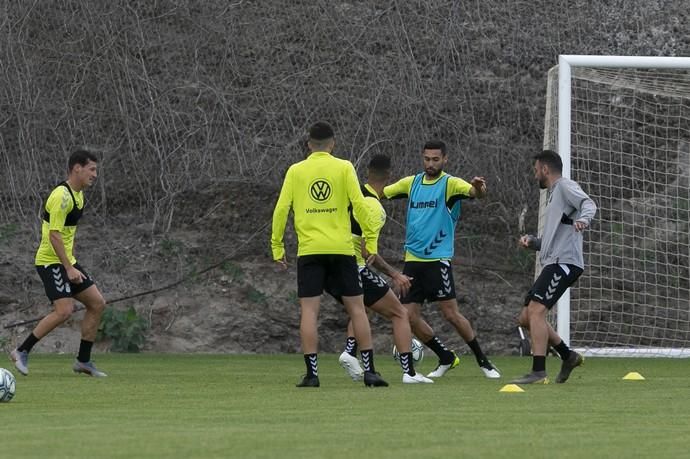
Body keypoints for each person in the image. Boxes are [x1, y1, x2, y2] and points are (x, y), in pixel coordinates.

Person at [271, 122, 388, 388]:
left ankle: (312, 375)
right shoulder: (344, 167)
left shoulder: (296, 171)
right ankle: (369, 371)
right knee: (357, 309)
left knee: (309, 312)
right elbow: (360, 205)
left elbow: (281, 209)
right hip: (342, 249)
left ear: (309, 144)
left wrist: (277, 248)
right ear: (332, 144)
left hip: (310, 251)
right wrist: (371, 240)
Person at [384, 140, 501, 379]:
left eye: (435, 159)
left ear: (444, 159)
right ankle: (445, 356)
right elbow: (381, 192)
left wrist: (478, 188)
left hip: (438, 261)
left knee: (451, 314)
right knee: (408, 317)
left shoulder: (449, 184)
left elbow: (474, 193)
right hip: (412, 261)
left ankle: (484, 361)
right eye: (427, 159)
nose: (430, 163)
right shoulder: (412, 183)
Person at [332, 154, 433, 384]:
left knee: (363, 307)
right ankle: (409, 373)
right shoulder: (375, 208)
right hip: (353, 267)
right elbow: (369, 253)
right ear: (389, 176)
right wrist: (395, 274)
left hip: (332, 266)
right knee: (399, 313)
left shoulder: (352, 195)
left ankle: (349, 351)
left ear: (366, 172)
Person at [10, 149, 107, 377]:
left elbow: (65, 233)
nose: (95, 175)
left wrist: (71, 260)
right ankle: (21, 351)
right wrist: (68, 267)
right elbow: (54, 235)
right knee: (64, 310)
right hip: (50, 262)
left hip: (65, 261)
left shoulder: (78, 195)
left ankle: (83, 361)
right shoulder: (61, 196)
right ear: (77, 168)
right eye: (92, 169)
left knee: (97, 303)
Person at [511, 149, 597, 384]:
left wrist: (583, 220)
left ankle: (539, 371)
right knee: (526, 317)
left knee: (537, 310)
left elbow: (589, 204)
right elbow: (556, 237)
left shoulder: (565, 186)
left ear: (545, 169)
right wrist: (535, 242)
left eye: (535, 169)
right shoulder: (554, 195)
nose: (535, 174)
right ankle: (568, 356)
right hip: (555, 260)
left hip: (565, 262)